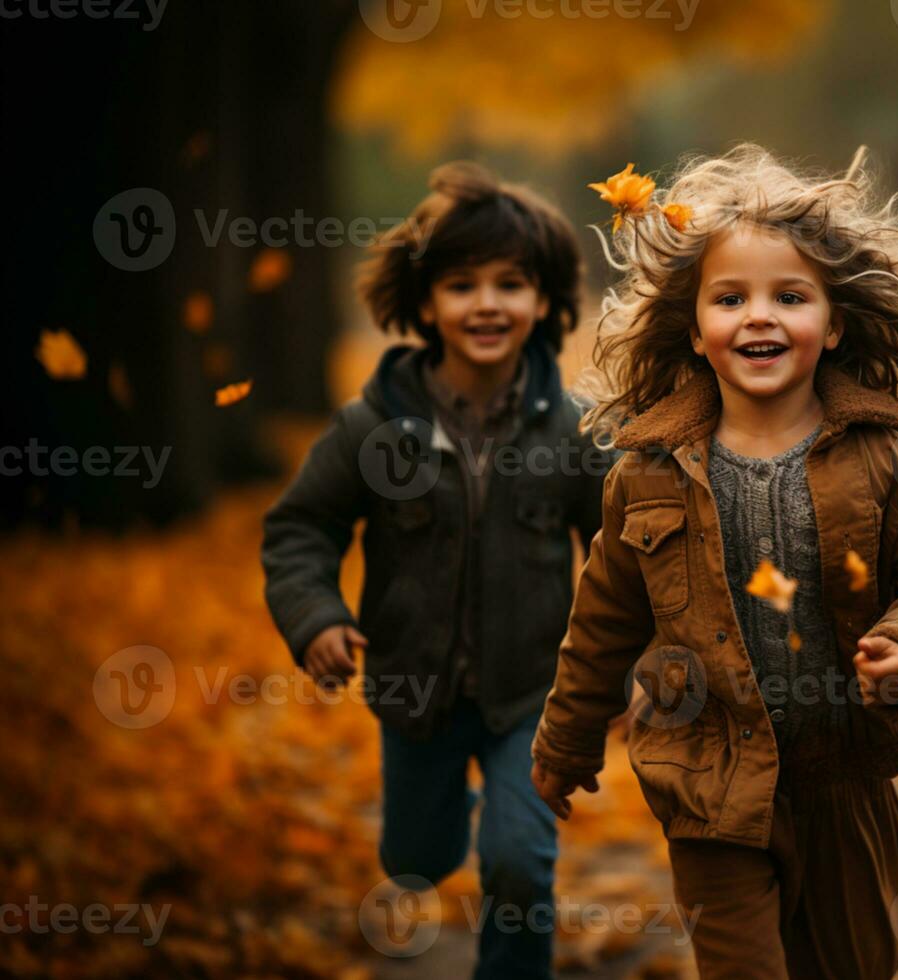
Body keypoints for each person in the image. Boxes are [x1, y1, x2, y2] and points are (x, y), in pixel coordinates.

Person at [528, 145, 898, 979]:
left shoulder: (885, 458)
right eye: (731, 298)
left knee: (859, 963)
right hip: (709, 782)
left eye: (790, 297)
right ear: (694, 327)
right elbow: (603, 622)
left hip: (843, 775)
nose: (759, 316)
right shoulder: (647, 473)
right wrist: (564, 744)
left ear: (836, 324)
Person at [261, 161, 608, 980]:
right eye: (461, 285)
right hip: (412, 695)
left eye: (510, 284)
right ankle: (447, 819)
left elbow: (621, 554)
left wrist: (620, 668)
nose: (487, 303)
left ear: (545, 300)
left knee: (521, 863)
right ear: (423, 303)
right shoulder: (372, 428)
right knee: (414, 860)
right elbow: (301, 527)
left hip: (535, 696)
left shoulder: (575, 431)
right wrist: (316, 617)